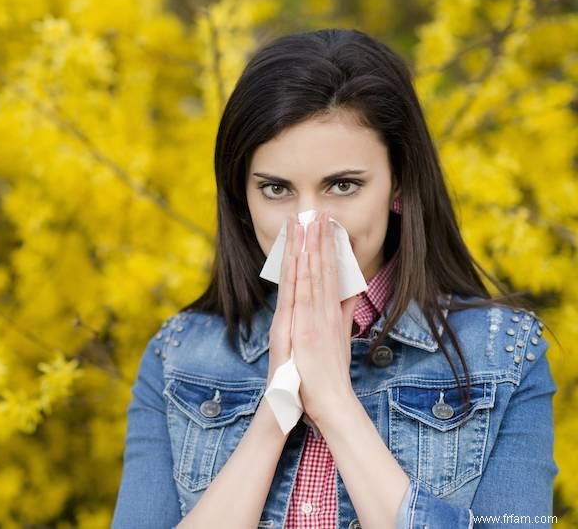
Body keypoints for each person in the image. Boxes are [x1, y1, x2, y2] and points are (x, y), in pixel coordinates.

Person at [111, 28, 559, 529]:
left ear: (400, 186)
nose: (310, 224)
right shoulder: (177, 358)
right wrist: (277, 411)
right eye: (276, 189)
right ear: (242, 200)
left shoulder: (505, 357)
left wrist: (335, 403)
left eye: (342, 185)